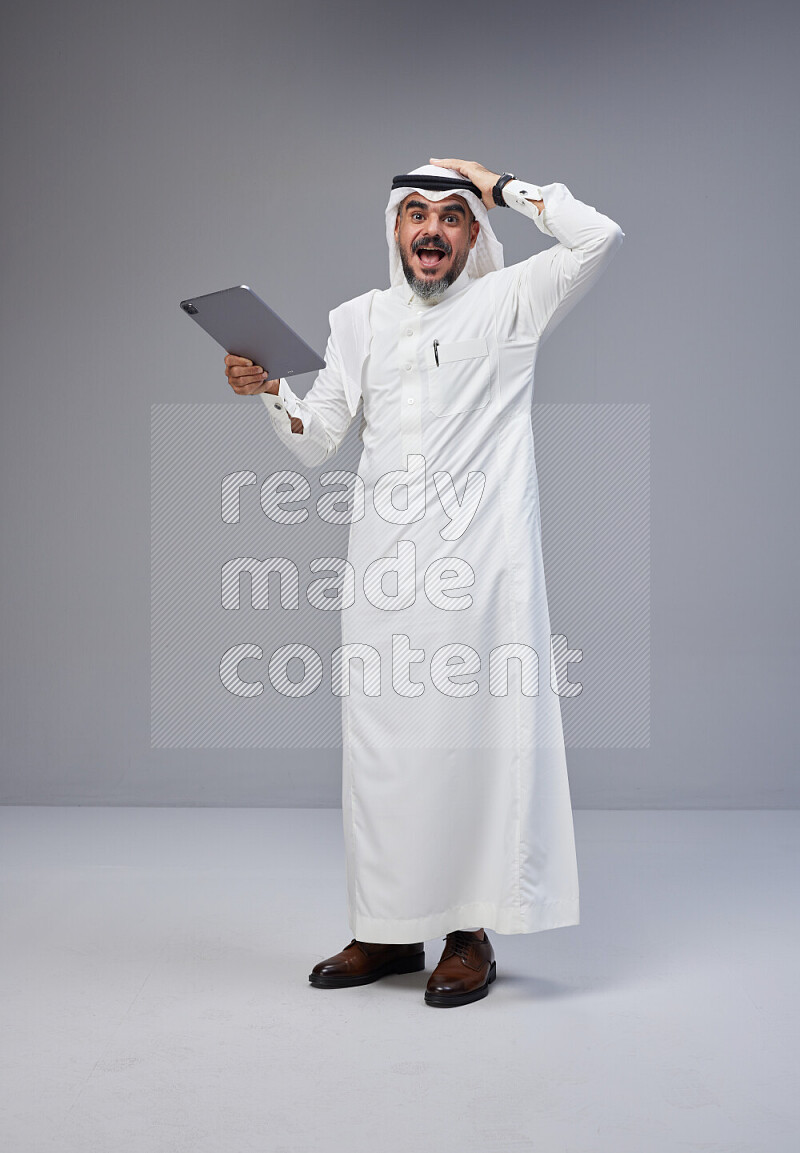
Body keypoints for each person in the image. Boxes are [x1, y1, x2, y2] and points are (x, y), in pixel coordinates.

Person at [225, 158, 624, 1008]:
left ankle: (468, 934)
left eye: (450, 215)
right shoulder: (357, 320)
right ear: (394, 231)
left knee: (473, 745)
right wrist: (269, 390)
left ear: (473, 234)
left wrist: (502, 183)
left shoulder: (512, 300)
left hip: (485, 569)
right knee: (386, 750)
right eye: (415, 214)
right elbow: (315, 436)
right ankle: (387, 927)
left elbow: (598, 237)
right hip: (383, 566)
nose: (432, 229)